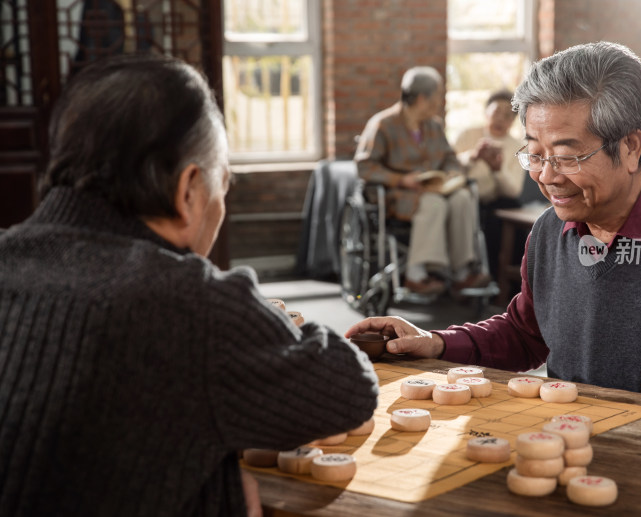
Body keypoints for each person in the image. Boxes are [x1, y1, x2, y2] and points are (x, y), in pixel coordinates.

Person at [0, 53, 379, 517]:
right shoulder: (190, 304)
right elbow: (350, 390)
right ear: (188, 191)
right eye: (225, 184)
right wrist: (265, 316)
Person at [346, 42, 641, 418]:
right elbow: (526, 334)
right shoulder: (549, 231)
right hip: (569, 447)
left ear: (630, 146)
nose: (546, 176)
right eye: (534, 154)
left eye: (567, 156)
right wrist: (437, 343)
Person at [355, 66, 490, 296]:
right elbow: (364, 167)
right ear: (421, 98)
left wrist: (452, 173)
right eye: (437, 96)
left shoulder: (434, 125)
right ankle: (416, 274)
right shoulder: (383, 125)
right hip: (397, 195)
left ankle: (460, 272)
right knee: (432, 203)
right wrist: (401, 179)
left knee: (462, 198)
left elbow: (449, 158)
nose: (439, 101)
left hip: (435, 189)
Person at [452, 89, 528, 277]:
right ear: (486, 112)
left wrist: (497, 170)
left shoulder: (518, 147)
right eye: (496, 113)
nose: (501, 119)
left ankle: (507, 281)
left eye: (508, 115)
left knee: (507, 213)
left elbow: (513, 191)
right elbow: (449, 170)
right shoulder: (468, 135)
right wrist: (473, 156)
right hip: (465, 195)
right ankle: (467, 274)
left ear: (513, 120)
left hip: (496, 200)